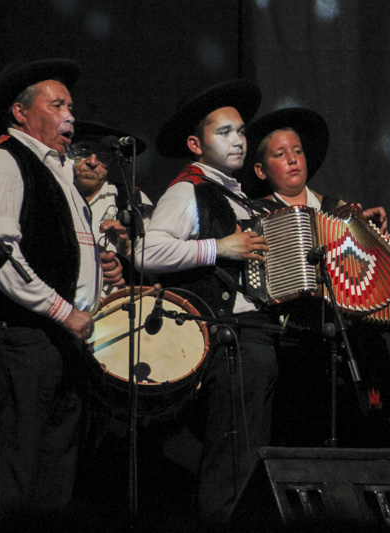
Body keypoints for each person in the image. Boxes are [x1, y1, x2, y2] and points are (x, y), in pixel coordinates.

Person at [243, 107, 390, 450]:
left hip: (351, 340)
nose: (293, 160)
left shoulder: (337, 207)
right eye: (280, 154)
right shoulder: (255, 214)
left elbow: (366, 270)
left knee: (372, 425)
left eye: (297, 151)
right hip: (295, 344)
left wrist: (368, 232)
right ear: (260, 169)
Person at [0, 58, 102, 512]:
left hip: (66, 340)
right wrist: (64, 310)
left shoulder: (60, 171)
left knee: (57, 468)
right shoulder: (6, 161)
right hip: (28, 340)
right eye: (57, 104)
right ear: (21, 112)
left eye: (71, 106)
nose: (70, 115)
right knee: (21, 464)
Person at [141, 80, 274, 523]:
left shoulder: (235, 194)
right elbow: (148, 252)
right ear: (196, 144)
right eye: (224, 132)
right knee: (231, 457)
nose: (238, 140)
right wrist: (220, 248)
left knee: (249, 456)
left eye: (240, 131)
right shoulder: (189, 190)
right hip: (226, 340)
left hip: (255, 338)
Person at [70, 121, 153, 299]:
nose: (92, 162)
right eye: (84, 150)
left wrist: (127, 251)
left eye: (102, 155)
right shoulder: (54, 194)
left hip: (114, 314)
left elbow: (157, 267)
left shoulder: (132, 201)